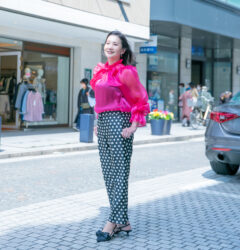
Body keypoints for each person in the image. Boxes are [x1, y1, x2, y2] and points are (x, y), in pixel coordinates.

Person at [90, 31, 150, 242]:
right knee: (108, 172)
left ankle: (112, 223)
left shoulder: (126, 72)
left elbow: (140, 99)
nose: (110, 46)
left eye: (115, 44)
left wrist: (133, 126)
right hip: (105, 123)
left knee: (119, 173)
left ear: (123, 50)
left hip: (120, 122)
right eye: (108, 43)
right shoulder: (100, 71)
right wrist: (98, 122)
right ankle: (123, 222)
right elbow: (99, 100)